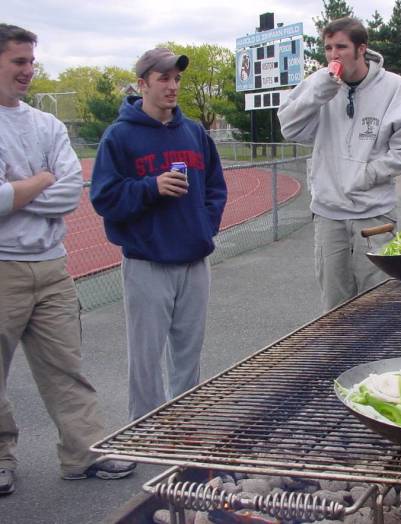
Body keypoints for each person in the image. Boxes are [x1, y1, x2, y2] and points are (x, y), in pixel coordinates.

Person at [0, 24, 135, 496]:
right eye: (19, 61)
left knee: (66, 366)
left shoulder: (47, 125)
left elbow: (67, 194)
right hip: (3, 268)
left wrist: (19, 189)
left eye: (31, 62)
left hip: (53, 266)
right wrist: (40, 182)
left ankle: (84, 454)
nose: (28, 71)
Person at [90, 47, 227, 421]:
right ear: (142, 83)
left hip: (194, 260)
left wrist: (204, 226)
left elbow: (216, 187)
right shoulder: (120, 136)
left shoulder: (194, 132)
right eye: (163, 78)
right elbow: (103, 197)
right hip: (147, 262)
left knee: (188, 353)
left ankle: (182, 426)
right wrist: (150, 187)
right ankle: (144, 430)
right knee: (146, 358)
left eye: (177, 79)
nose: (172, 86)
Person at [278, 17, 401, 311]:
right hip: (329, 213)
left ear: (361, 49)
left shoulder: (393, 87)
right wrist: (319, 95)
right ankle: (341, 357)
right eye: (328, 48)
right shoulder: (317, 83)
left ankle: (381, 356)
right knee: (334, 303)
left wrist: (371, 172)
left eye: (341, 47)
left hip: (374, 214)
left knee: (378, 300)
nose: (333, 55)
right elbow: (289, 128)